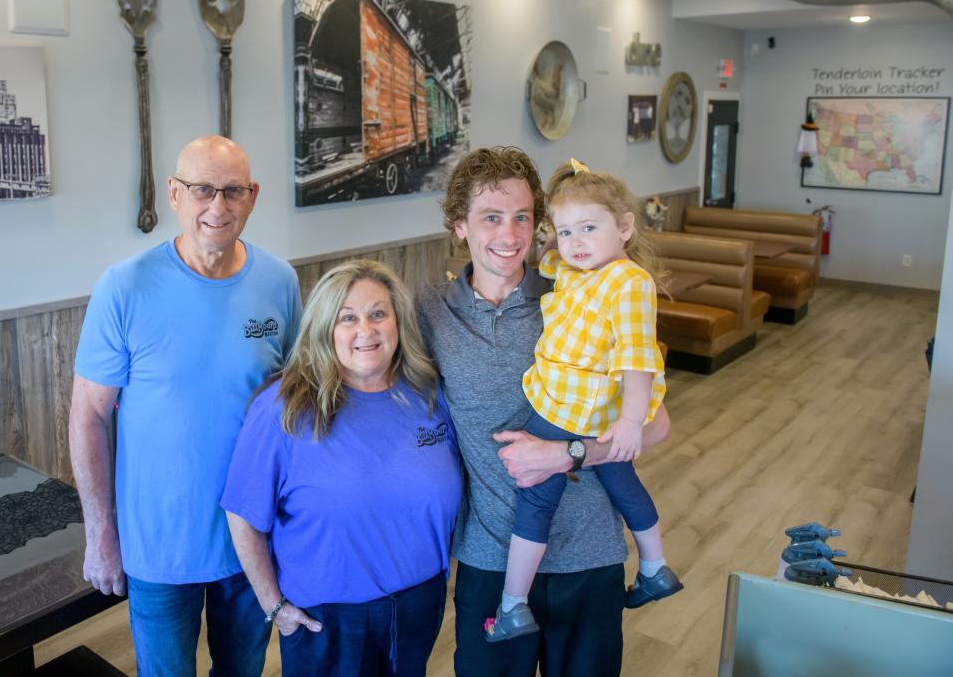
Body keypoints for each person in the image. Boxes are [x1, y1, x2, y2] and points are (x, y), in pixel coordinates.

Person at [416, 146, 671, 677]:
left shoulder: (580, 292)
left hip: (589, 554)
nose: (509, 236)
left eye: (522, 218)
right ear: (459, 226)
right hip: (491, 557)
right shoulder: (430, 314)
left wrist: (566, 454)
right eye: (491, 218)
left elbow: (658, 424)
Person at [68, 135, 302, 677]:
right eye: (201, 190)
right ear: (174, 194)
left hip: (252, 539)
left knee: (241, 671)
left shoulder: (279, 282)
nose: (217, 206)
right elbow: (88, 416)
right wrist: (100, 532)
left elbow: (293, 407)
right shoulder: (124, 287)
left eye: (232, 191)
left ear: (252, 196)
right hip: (157, 546)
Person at [222, 259, 462, 676]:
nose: (365, 331)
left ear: (397, 322)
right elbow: (242, 513)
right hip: (327, 618)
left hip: (418, 606)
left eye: (378, 314)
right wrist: (272, 604)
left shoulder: (429, 393)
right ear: (324, 329)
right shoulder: (285, 406)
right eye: (347, 318)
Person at [485, 158, 681, 643]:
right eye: (566, 230)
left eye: (589, 228)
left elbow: (638, 357)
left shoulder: (627, 281)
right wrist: (561, 233)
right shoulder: (574, 268)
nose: (575, 242)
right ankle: (655, 568)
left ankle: (512, 605)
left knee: (534, 498)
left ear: (625, 227)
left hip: (569, 407)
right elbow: (551, 255)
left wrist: (633, 420)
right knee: (620, 478)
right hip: (582, 407)